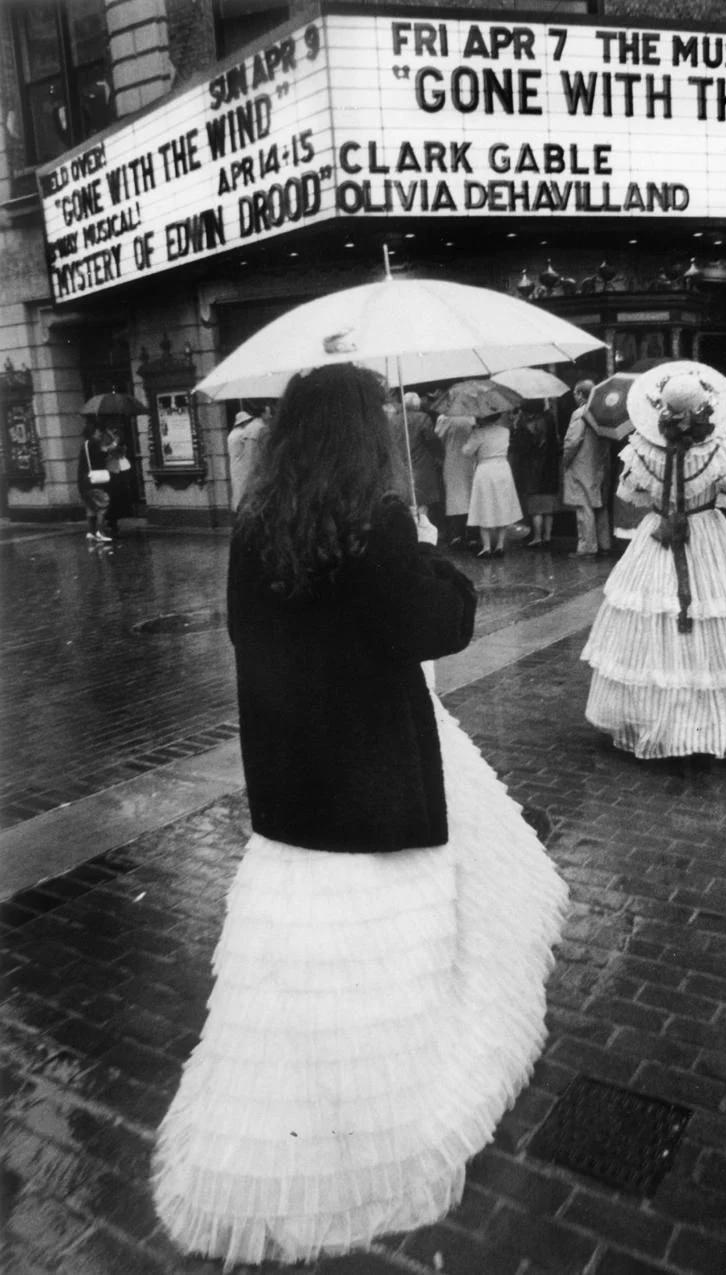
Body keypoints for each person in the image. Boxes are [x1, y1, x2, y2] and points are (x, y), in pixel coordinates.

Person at [152, 364, 567, 1267]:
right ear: (363, 437)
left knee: (302, 972)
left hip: (296, 789)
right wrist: (428, 558)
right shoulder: (376, 522)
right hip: (374, 785)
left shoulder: (255, 526)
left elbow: (242, 633)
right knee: (386, 964)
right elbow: (438, 626)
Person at [581, 363, 726, 760]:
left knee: (657, 617)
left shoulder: (643, 448)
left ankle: (654, 717)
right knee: (713, 614)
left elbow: (633, 492)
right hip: (707, 535)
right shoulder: (719, 449)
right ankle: (711, 721)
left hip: (659, 534)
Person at [462, 410, 524, 558]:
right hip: (503, 468)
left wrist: (472, 434)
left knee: (484, 505)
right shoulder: (505, 431)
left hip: (485, 470)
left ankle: (487, 546)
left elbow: (466, 451)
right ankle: (500, 545)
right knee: (502, 505)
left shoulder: (479, 433)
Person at [562, 379, 612, 557]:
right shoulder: (603, 411)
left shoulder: (580, 413)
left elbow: (572, 441)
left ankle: (587, 547)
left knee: (584, 507)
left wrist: (565, 461)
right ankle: (604, 544)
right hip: (600, 463)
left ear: (581, 395)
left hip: (582, 463)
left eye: (575, 393)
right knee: (600, 504)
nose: (574, 396)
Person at [513, 398, 561, 548]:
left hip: (533, 471)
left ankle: (537, 537)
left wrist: (516, 427)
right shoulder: (550, 420)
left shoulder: (525, 426)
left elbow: (521, 449)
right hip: (550, 468)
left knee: (536, 507)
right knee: (548, 507)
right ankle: (547, 537)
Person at [400, 391, 444, 531]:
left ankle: (409, 533)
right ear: (418, 406)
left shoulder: (393, 420)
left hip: (401, 466)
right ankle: (422, 535)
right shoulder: (423, 418)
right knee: (423, 503)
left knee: (405, 502)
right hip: (422, 465)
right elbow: (432, 441)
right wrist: (439, 456)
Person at [435, 412, 476, 547]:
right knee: (470, 496)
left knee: (454, 497)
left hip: (451, 460)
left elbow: (438, 438)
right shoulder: (471, 418)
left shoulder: (444, 419)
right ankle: (471, 534)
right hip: (469, 461)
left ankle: (456, 534)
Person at [227, 401, 273, 510]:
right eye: (268, 413)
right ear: (262, 414)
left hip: (243, 466)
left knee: (241, 490)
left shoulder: (245, 430)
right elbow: (261, 451)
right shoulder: (261, 429)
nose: (270, 416)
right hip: (253, 468)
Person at [77, 419, 113, 543]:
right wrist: (109, 448)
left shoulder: (85, 445)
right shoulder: (94, 444)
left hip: (84, 481)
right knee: (103, 506)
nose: (100, 434)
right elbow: (101, 458)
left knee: (91, 508)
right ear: (93, 432)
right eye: (98, 431)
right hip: (95, 482)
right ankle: (100, 532)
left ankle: (91, 532)